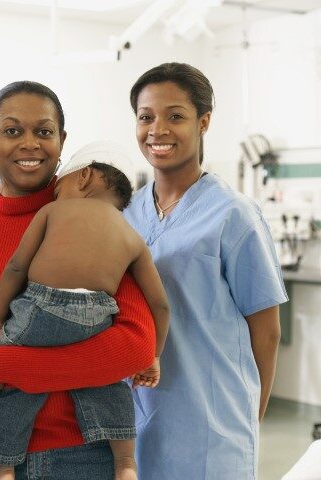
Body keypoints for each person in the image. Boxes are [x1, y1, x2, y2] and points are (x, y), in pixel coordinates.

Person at [0, 81, 157, 480]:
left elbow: (135, 347)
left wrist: (7, 363)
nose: (29, 143)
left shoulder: (96, 225)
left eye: (44, 131)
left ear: (62, 141)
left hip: (79, 455)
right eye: (12, 131)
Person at [124, 62, 287, 479]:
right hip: (137, 420)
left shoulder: (233, 214)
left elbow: (266, 331)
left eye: (174, 116)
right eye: (146, 117)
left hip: (213, 426)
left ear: (204, 122)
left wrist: (251, 414)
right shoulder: (127, 213)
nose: (157, 129)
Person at [0, 144, 171, 480]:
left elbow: (17, 266)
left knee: (10, 378)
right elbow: (160, 304)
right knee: (107, 379)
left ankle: (3, 465)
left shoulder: (54, 211)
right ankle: (125, 462)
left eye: (57, 186)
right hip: (95, 316)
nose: (53, 194)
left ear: (83, 177)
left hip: (40, 307)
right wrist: (153, 355)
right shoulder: (130, 235)